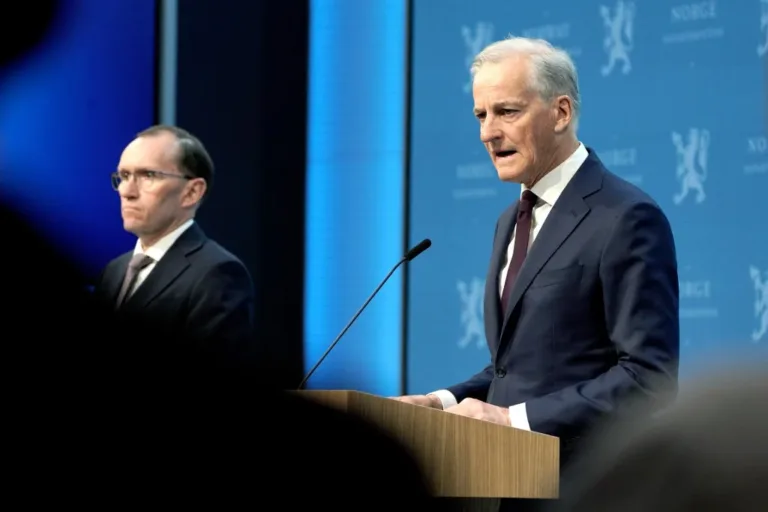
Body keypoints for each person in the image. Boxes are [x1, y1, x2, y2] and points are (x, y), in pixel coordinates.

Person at [397, 37, 680, 467]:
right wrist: (441, 402)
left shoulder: (625, 216)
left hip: (585, 487)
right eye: (480, 115)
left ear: (561, 113)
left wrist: (513, 420)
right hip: (506, 482)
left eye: (507, 111)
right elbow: (514, 371)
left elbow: (647, 378)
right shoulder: (510, 220)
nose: (488, 132)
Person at [92, 124, 256, 365]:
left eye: (148, 175)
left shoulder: (218, 274)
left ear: (191, 192)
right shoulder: (114, 271)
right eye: (124, 176)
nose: (127, 191)